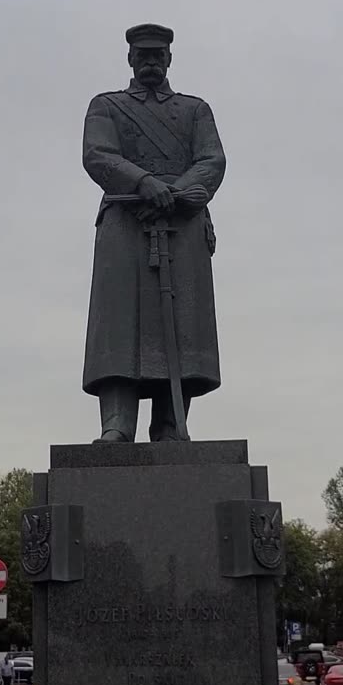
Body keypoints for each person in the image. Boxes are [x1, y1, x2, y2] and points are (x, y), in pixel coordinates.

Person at [81, 23, 227, 443]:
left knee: (180, 328)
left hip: (182, 220)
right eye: (142, 55)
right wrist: (145, 184)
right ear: (130, 58)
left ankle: (170, 422)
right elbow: (97, 154)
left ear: (168, 59)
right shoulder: (106, 105)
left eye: (157, 55)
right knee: (118, 329)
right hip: (126, 221)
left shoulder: (196, 110)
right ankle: (117, 424)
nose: (149, 62)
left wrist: (173, 193)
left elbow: (212, 160)